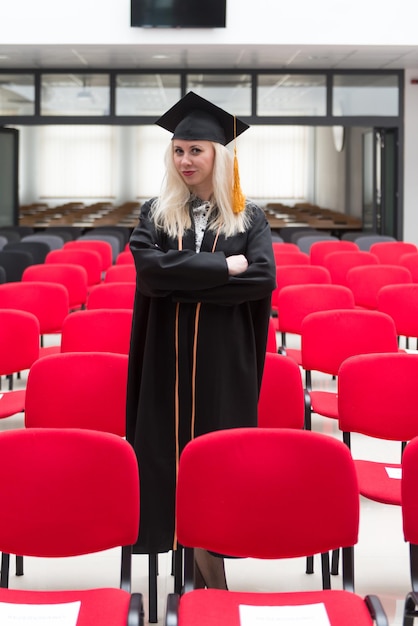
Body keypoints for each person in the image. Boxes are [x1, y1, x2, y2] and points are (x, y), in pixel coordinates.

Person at [126, 91, 276, 588]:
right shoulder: (155, 213)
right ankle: (172, 565)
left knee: (218, 459)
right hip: (164, 362)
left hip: (223, 361)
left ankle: (209, 571)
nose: (185, 160)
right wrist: (222, 268)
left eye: (196, 150)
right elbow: (149, 273)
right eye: (178, 150)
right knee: (162, 458)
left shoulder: (249, 217)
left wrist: (183, 282)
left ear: (220, 155)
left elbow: (260, 280)